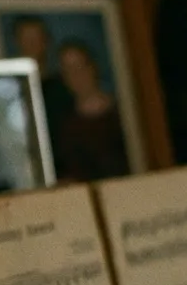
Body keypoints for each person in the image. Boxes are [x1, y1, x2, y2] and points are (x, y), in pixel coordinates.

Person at [54, 40, 130, 180]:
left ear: (93, 67)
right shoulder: (65, 128)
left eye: (80, 67)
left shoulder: (125, 113)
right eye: (69, 71)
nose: (76, 76)